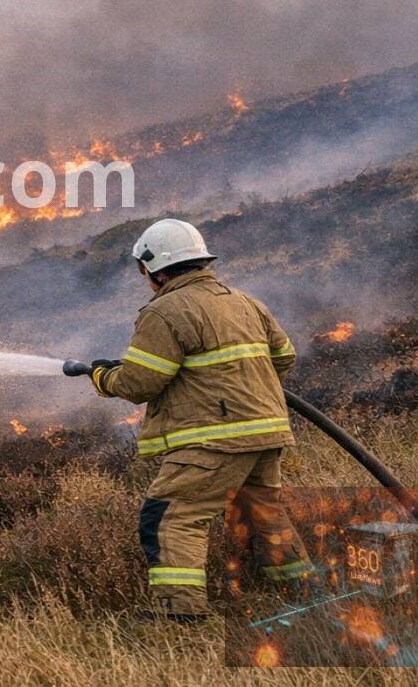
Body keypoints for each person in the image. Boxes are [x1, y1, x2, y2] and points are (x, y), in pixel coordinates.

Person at [82, 218, 314, 620]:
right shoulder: (245, 301)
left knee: (172, 517)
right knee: (262, 514)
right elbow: (283, 357)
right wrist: (242, 390)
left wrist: (103, 377)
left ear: (152, 269)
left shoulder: (165, 310)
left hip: (213, 440)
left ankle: (180, 612)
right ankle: (301, 591)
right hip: (266, 433)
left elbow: (139, 383)